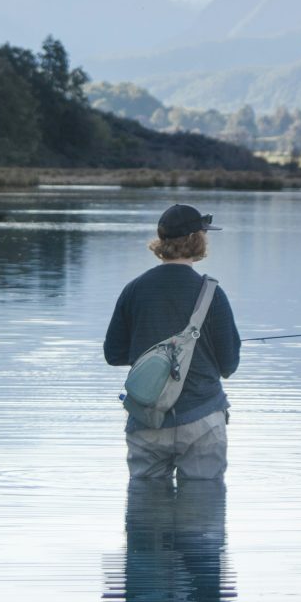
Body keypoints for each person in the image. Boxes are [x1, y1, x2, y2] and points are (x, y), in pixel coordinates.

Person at [104, 204, 240, 480]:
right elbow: (228, 364)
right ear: (196, 239)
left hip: (147, 417)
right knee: (203, 512)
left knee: (145, 514)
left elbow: (114, 354)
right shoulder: (213, 293)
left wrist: (152, 351)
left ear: (162, 240)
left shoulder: (134, 289)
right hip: (202, 418)